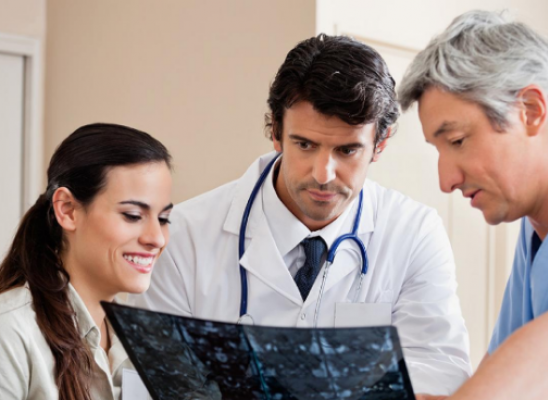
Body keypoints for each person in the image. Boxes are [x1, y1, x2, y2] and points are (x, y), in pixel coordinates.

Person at [131, 34, 472, 395]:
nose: (323, 174)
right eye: (305, 145)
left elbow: (440, 371)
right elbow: (156, 378)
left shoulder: (414, 233)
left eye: (347, 150)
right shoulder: (183, 235)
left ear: (380, 143)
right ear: (276, 132)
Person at [398, 9, 548, 400]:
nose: (446, 180)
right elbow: (503, 379)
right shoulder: (538, 225)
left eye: (457, 141)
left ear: (531, 111)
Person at [0, 123, 173, 400]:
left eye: (163, 219)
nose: (157, 238)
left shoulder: (143, 342)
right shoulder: (9, 330)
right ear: (68, 210)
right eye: (132, 215)